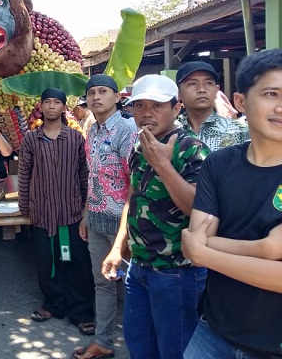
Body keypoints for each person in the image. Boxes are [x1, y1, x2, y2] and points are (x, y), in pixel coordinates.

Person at [181, 49, 282, 359]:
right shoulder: (219, 164)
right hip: (213, 330)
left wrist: (204, 251)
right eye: (271, 93)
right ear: (240, 102)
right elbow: (195, 238)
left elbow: (198, 246)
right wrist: (263, 250)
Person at [101, 74, 210, 359]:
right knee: (140, 346)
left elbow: (198, 209)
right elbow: (133, 196)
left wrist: (163, 164)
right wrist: (117, 247)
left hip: (176, 271)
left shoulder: (191, 148)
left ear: (176, 109)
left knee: (175, 350)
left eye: (157, 105)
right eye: (139, 106)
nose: (146, 113)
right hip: (139, 267)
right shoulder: (141, 145)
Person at [18, 88, 95, 335]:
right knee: (46, 263)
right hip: (42, 213)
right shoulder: (31, 139)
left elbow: (84, 175)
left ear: (64, 108)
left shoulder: (75, 139)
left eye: (57, 102)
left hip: (70, 213)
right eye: (47, 102)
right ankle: (53, 304)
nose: (51, 106)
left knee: (76, 263)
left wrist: (86, 209)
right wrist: (24, 206)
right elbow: (24, 174)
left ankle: (81, 312)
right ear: (40, 107)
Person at [75, 75, 137, 359]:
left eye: (103, 92)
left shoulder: (127, 129)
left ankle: (140, 348)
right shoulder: (92, 131)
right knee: (102, 282)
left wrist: (124, 234)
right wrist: (86, 214)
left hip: (124, 223)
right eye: (91, 93)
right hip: (97, 218)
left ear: (117, 97)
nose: (96, 97)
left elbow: (135, 184)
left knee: (134, 285)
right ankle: (104, 342)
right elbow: (93, 178)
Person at [176, 61, 249, 150]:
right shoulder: (171, 131)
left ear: (216, 90)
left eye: (208, 83)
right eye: (192, 83)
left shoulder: (240, 131)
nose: (202, 89)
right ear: (178, 93)